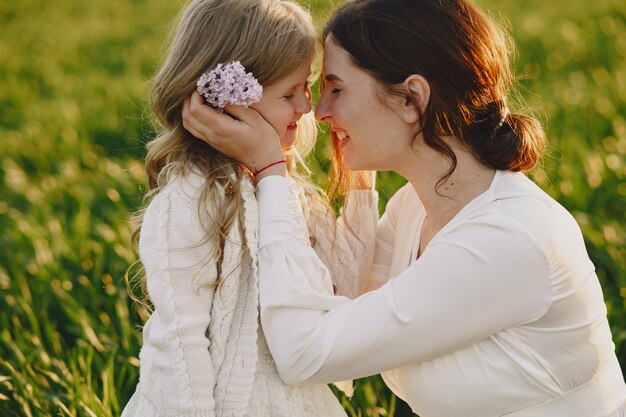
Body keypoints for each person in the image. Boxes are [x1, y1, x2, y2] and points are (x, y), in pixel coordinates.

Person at [181, 0, 626, 416]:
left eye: (336, 89)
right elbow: (335, 300)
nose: (319, 112)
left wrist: (270, 170)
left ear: (411, 99)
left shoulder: (508, 239)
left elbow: (306, 353)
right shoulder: (414, 205)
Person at [121, 0, 378, 416]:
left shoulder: (283, 188)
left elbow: (342, 290)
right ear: (227, 103)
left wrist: (359, 175)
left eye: (307, 86)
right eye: (288, 93)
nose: (307, 106)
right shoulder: (190, 200)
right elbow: (181, 346)